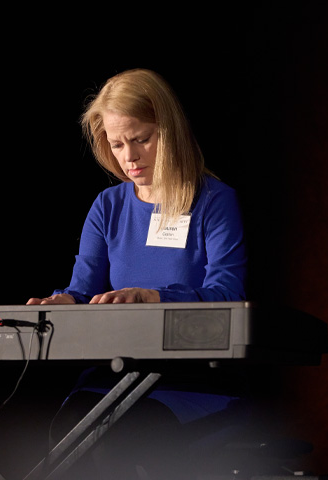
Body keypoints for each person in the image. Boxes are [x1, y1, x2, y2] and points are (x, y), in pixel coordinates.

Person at [26, 69, 251, 479]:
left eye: (141, 139)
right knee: (69, 429)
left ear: (169, 131)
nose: (128, 156)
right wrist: (62, 301)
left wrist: (153, 297)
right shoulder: (107, 206)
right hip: (115, 376)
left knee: (121, 434)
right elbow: (83, 290)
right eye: (116, 144)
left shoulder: (214, 201)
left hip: (188, 382)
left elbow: (227, 293)